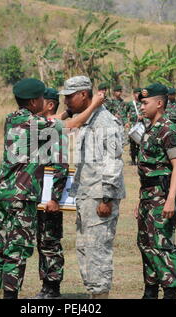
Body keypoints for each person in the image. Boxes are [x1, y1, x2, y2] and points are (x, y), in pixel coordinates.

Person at [0, 78, 104, 299]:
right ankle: (10, 296)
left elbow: (54, 121)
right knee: (16, 251)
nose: (43, 101)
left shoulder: (13, 118)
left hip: (2, 194)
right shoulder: (34, 124)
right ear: (32, 102)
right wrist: (94, 104)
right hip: (21, 197)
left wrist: (65, 113)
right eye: (39, 98)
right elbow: (69, 127)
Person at [59, 76, 125, 299]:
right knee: (84, 247)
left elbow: (113, 162)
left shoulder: (105, 122)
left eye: (70, 96)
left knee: (97, 249)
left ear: (84, 94)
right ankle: (93, 294)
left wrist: (107, 198)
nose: (66, 101)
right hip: (86, 194)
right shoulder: (87, 119)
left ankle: (99, 296)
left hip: (99, 197)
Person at [135, 83, 176, 299]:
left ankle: (170, 291)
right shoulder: (148, 128)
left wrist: (170, 199)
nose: (142, 107)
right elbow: (146, 170)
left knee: (161, 244)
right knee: (145, 243)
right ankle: (150, 290)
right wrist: (140, 201)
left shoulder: (168, 129)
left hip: (162, 195)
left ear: (159, 103)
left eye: (145, 103)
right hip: (147, 195)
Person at [33, 88, 68, 299]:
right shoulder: (42, 128)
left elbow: (61, 166)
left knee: (50, 241)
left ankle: (53, 287)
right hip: (37, 196)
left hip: (50, 198)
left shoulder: (55, 131)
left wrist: (55, 197)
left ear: (50, 105)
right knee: (41, 241)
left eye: (39, 101)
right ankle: (45, 286)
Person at [126, 88, 143, 165]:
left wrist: (143, 117)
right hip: (133, 126)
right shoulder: (130, 104)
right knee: (132, 145)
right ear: (133, 94)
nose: (138, 95)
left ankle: (140, 160)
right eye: (136, 93)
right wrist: (126, 122)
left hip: (142, 126)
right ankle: (133, 160)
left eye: (139, 93)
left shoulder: (144, 103)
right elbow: (123, 112)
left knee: (141, 143)